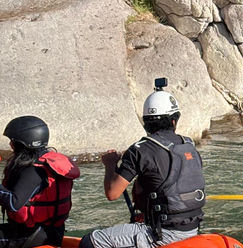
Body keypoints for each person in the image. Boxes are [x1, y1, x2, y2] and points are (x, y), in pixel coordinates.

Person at [80, 80, 206, 248]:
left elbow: (112, 193)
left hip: (163, 234)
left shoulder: (140, 150)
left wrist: (110, 165)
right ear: (174, 121)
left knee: (90, 241)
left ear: (146, 121)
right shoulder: (189, 145)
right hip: (192, 228)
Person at [0, 116, 80, 248]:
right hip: (50, 232)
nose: (10, 144)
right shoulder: (44, 162)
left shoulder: (33, 170)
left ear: (22, 143)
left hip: (30, 235)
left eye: (12, 140)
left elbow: (13, 203)